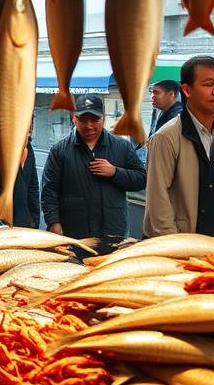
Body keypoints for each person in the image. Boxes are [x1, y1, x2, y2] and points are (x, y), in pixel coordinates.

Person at [41, 95, 146, 247]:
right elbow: (49, 190)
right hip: (75, 234)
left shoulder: (121, 147)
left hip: (112, 232)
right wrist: (53, 222)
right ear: (74, 119)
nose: (89, 126)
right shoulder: (60, 150)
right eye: (83, 120)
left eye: (95, 120)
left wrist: (115, 172)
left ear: (103, 119)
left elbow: (141, 179)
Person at [144, 55, 214, 237]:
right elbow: (158, 200)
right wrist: (175, 245)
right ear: (186, 90)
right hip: (180, 245)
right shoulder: (165, 137)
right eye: (208, 84)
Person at [0, 130, 41, 228]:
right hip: (0, 222)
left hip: (25, 223)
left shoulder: (28, 148)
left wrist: (35, 221)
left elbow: (33, 187)